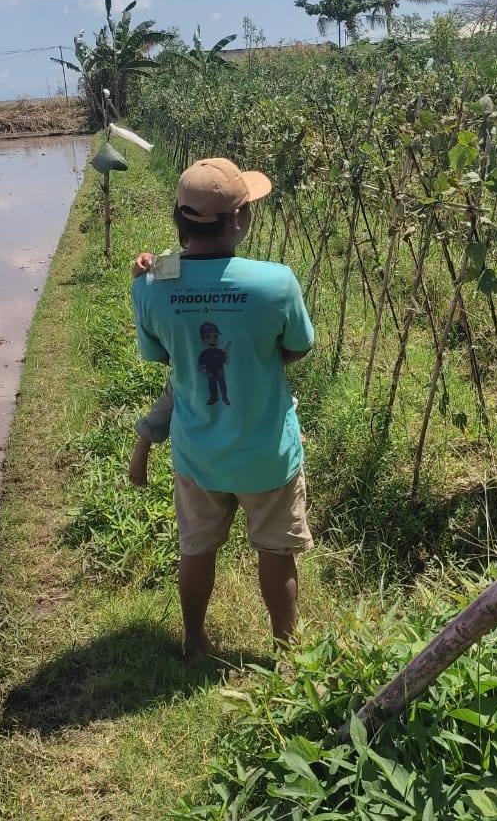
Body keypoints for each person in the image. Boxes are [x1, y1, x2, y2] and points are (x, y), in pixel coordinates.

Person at [131, 157, 314, 660]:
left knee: (197, 548)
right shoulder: (275, 281)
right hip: (266, 453)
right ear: (236, 220)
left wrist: (144, 275)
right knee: (276, 552)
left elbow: (161, 355)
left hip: (198, 455)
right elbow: (297, 346)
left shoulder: (153, 282)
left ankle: (193, 640)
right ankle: (288, 650)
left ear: (181, 218)